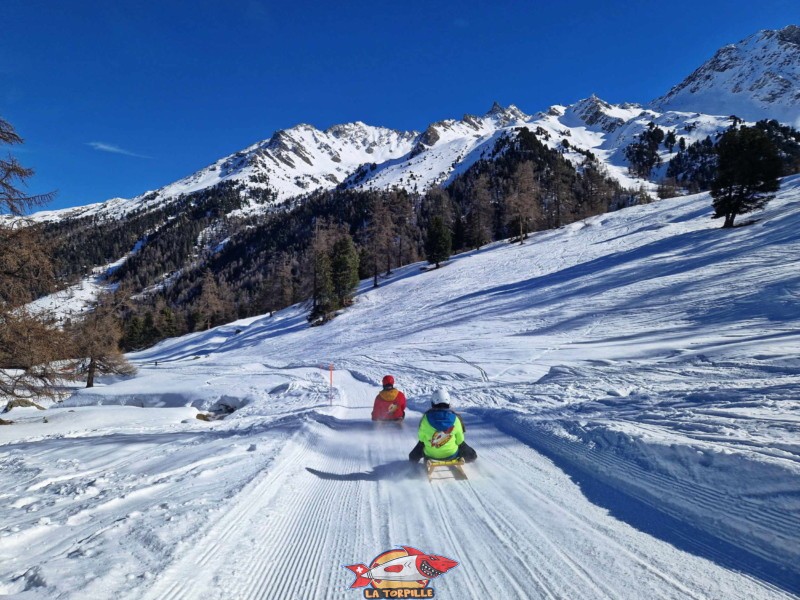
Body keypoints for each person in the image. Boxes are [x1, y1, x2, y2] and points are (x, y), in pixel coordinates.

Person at [409, 388, 477, 463]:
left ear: (433, 402)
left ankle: (413, 465)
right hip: (451, 454)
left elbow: (421, 438)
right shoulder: (456, 418)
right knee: (472, 454)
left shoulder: (425, 418)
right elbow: (460, 440)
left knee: (415, 453)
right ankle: (462, 458)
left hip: (430, 454)